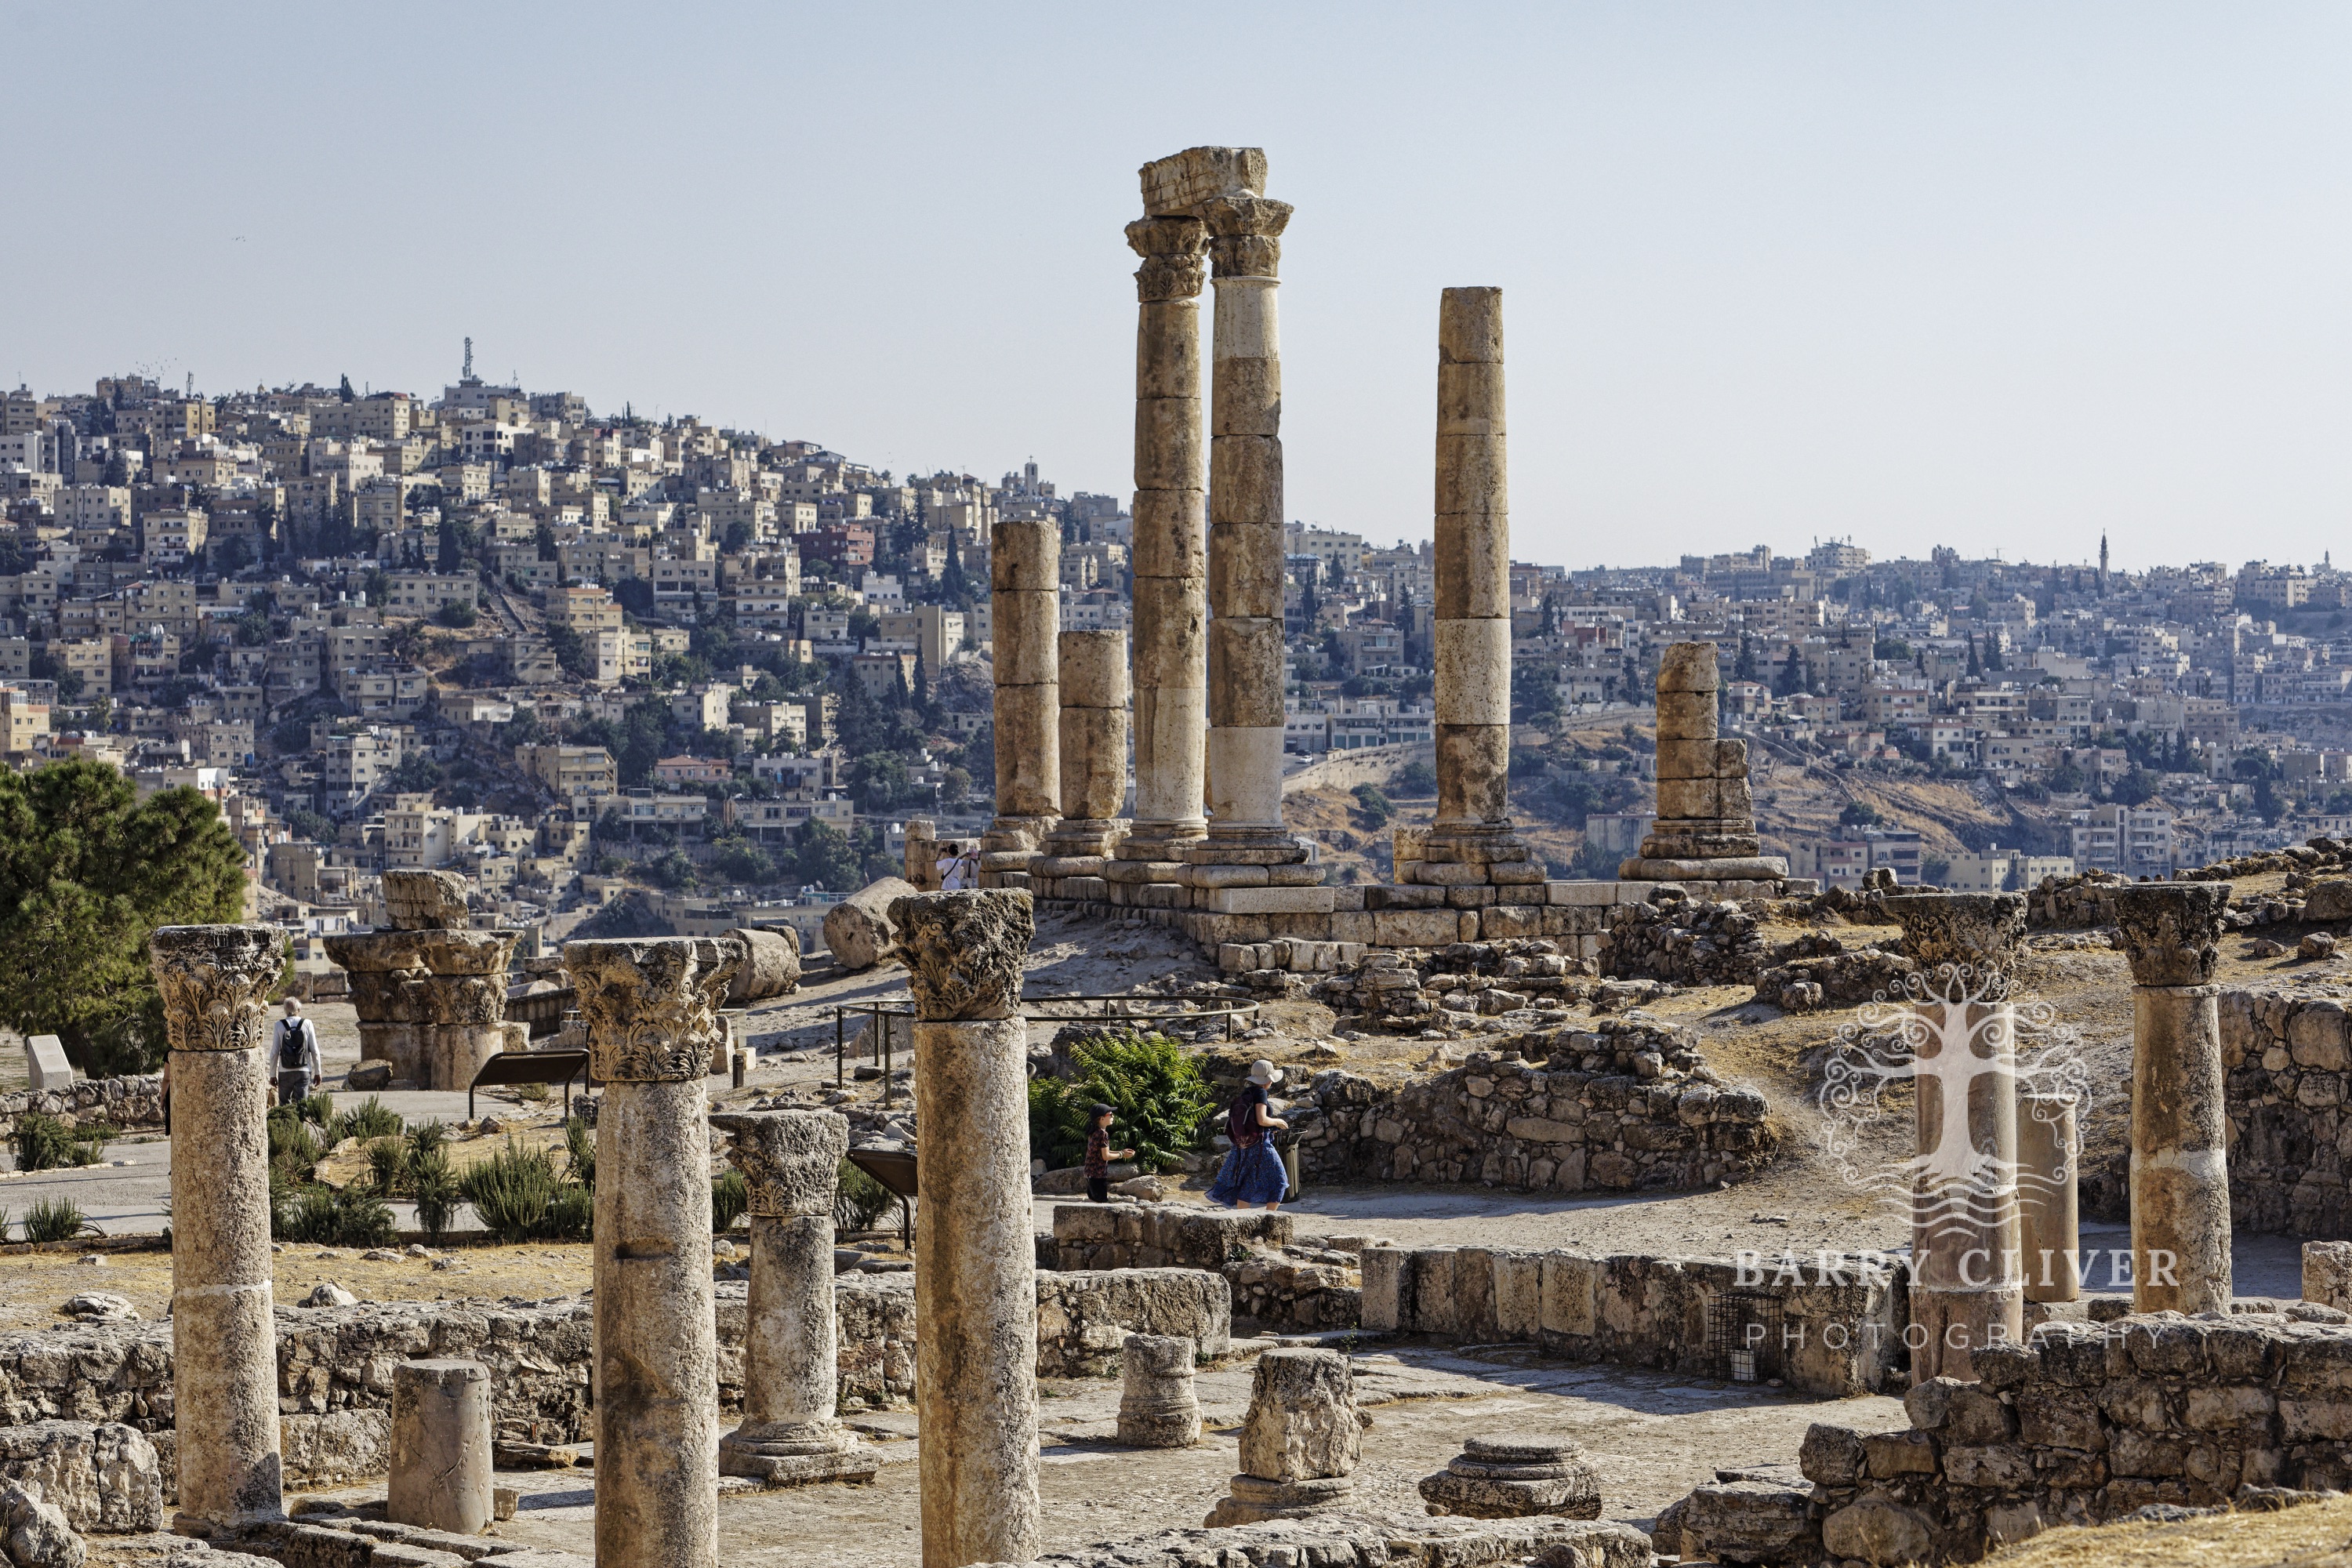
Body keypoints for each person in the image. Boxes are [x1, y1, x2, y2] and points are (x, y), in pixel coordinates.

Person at [1206, 1060, 1290, 1211]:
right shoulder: (1261, 1092)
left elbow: (1252, 1121)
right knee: (1280, 1181)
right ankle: (1269, 1220)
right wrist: (1277, 1122)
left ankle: (1242, 1220)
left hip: (1244, 1146)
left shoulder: (1247, 1093)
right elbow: (1262, 1119)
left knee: (1248, 1184)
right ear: (1268, 1079)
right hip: (1260, 1146)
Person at [273, 998, 322, 1107]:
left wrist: (272, 1075)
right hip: (304, 1070)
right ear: (299, 1009)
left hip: (284, 1071)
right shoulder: (307, 1023)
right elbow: (314, 1050)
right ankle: (301, 1124)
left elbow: (275, 1052)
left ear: (285, 1010)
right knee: (302, 1106)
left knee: (284, 1106)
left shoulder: (279, 1025)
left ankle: (286, 1124)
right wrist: (318, 1072)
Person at [1083, 1102, 1134, 1204]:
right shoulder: (1103, 1134)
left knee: (1094, 1202)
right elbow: (1106, 1156)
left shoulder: (1094, 1132)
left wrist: (1121, 1152)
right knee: (1102, 1204)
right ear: (1102, 1119)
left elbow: (1102, 1152)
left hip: (1090, 1174)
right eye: (1110, 1114)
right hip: (1098, 1176)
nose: (1113, 1116)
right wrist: (1122, 1155)